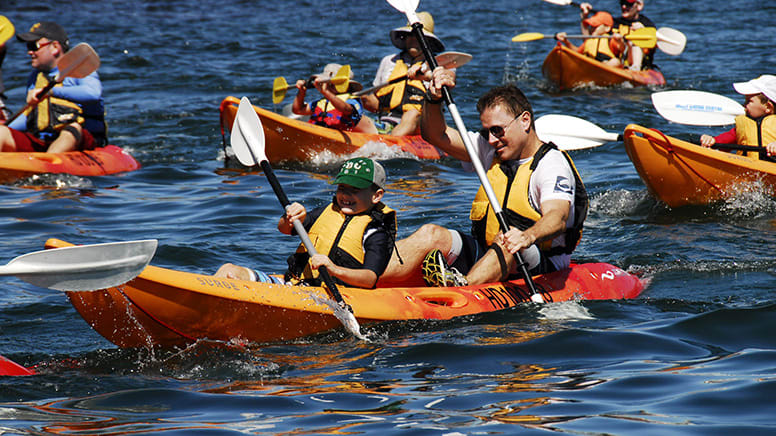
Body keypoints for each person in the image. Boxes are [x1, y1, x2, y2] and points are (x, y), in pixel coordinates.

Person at [377, 66, 588, 288]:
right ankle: (367, 276)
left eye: (497, 130)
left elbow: (557, 218)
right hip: (488, 252)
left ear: (525, 120)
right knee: (431, 234)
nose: (491, 139)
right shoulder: (491, 149)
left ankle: (462, 288)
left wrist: (526, 237)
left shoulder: (551, 164)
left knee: (507, 239)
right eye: (487, 131)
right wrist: (433, 97)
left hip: (539, 262)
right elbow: (435, 135)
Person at [215, 157, 398, 289]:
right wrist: (293, 217)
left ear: (376, 195)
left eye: (355, 190)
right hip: (295, 285)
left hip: (333, 296)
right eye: (342, 188)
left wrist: (334, 270)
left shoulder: (376, 231)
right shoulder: (327, 212)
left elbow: (369, 279)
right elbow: (284, 229)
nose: (345, 195)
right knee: (228, 270)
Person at [0, 21, 106, 153]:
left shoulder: (81, 69)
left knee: (71, 129)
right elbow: (30, 116)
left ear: (55, 47)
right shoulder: (35, 78)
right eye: (28, 47)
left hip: (81, 139)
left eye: (34, 46)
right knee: (1, 132)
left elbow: (93, 93)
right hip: (43, 140)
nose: (30, 52)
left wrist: (51, 91)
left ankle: (49, 166)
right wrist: (7, 127)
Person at [360, 11, 444, 136]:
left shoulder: (437, 65)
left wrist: (425, 75)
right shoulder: (388, 61)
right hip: (387, 118)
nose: (413, 39)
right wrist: (357, 98)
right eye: (409, 35)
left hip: (420, 123)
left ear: (428, 41)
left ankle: (388, 144)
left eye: (418, 36)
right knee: (359, 100)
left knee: (412, 113)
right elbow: (376, 102)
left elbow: (445, 85)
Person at [700, 75, 776, 160]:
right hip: (747, 167)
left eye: (749, 101)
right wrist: (711, 140)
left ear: (768, 107)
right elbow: (725, 140)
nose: (744, 105)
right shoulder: (743, 125)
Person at [291, 63, 377, 134]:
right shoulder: (322, 102)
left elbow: (346, 109)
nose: (328, 86)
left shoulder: (352, 100)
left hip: (340, 136)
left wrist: (326, 92)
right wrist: (301, 92)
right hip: (319, 133)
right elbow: (298, 110)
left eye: (331, 84)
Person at [579, 0, 656, 71]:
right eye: (622, 3)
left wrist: (642, 30)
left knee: (633, 43)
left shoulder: (647, 25)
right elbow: (589, 39)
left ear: (639, 6)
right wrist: (584, 17)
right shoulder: (615, 23)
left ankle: (635, 67)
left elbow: (651, 46)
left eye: (629, 4)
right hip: (619, 63)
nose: (624, 7)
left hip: (640, 64)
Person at [556, 11, 623, 68]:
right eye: (591, 26)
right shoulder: (590, 40)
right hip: (589, 67)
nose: (592, 29)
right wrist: (566, 41)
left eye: (595, 26)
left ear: (607, 28)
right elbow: (577, 53)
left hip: (605, 68)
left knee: (615, 61)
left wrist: (620, 41)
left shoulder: (611, 40)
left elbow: (622, 49)